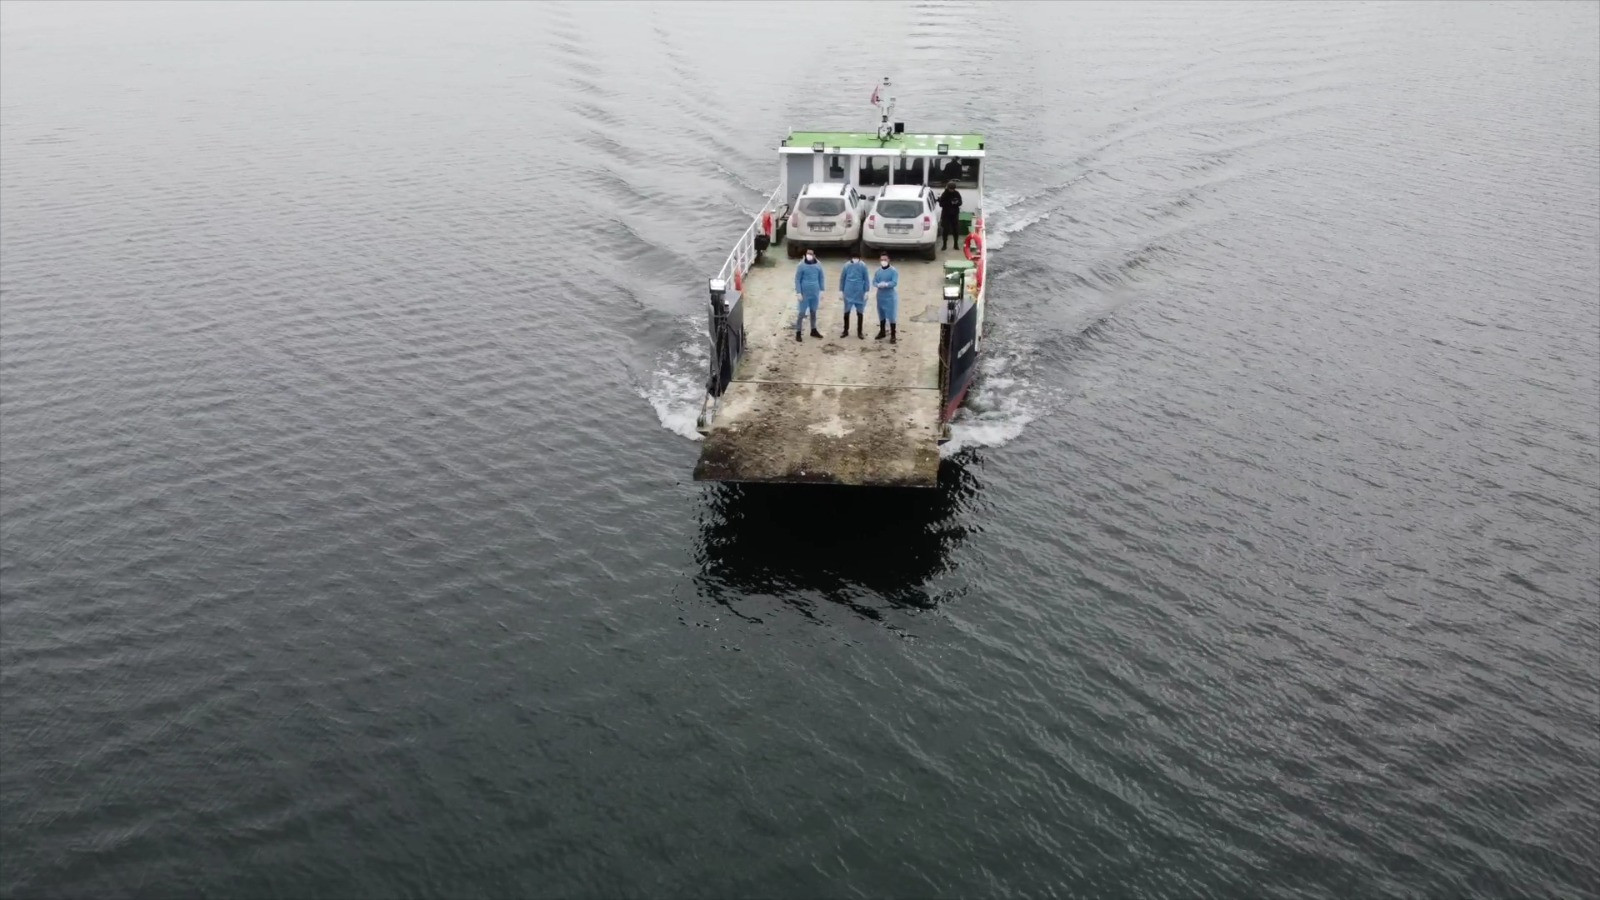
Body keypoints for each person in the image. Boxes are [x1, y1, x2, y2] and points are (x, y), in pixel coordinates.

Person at [793, 249, 826, 341]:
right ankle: (798, 332)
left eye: (811, 255)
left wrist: (822, 289)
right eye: (808, 254)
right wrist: (798, 292)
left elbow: (821, 277)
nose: (809, 256)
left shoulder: (818, 264)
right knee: (801, 313)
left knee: (813, 311)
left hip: (815, 292)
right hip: (804, 293)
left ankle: (813, 329)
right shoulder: (801, 265)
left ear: (814, 255)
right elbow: (797, 279)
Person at [838, 251, 870, 339]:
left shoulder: (863, 266)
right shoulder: (846, 266)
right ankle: (845, 330)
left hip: (860, 292)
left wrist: (867, 291)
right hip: (848, 292)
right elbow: (842, 278)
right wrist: (841, 290)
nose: (856, 259)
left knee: (860, 313)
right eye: (854, 257)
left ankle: (860, 332)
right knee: (846, 312)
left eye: (857, 258)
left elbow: (866, 279)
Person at [873, 253, 899, 344]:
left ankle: (893, 335)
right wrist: (878, 285)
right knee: (881, 314)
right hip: (880, 296)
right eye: (881, 260)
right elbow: (874, 281)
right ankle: (882, 331)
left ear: (889, 260)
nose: (883, 261)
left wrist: (886, 284)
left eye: (885, 259)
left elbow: (894, 282)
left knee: (891, 316)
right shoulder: (878, 271)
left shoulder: (893, 271)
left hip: (890, 296)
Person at [938, 182, 964, 251]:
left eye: (953, 189)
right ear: (948, 188)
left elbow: (960, 202)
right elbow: (941, 204)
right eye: (950, 189)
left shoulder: (957, 193)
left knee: (955, 230)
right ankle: (944, 245)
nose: (952, 190)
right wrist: (950, 202)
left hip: (954, 214)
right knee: (945, 230)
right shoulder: (944, 194)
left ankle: (956, 244)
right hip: (946, 214)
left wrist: (956, 203)